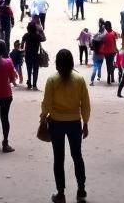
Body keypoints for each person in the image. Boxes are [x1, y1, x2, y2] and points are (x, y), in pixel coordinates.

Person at [40, 49, 90, 203]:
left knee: (58, 157)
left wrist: (43, 118)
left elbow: (46, 103)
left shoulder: (52, 80)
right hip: (74, 122)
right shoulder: (79, 79)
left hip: (56, 123)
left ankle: (60, 192)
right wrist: (86, 122)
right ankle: (81, 188)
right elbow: (85, 104)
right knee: (77, 156)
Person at [21, 19, 45, 90]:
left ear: (28, 28)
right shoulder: (38, 36)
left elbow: (22, 45)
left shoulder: (26, 35)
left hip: (28, 55)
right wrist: (41, 31)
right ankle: (34, 85)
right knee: (35, 70)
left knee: (29, 69)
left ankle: (29, 84)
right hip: (35, 55)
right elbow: (44, 39)